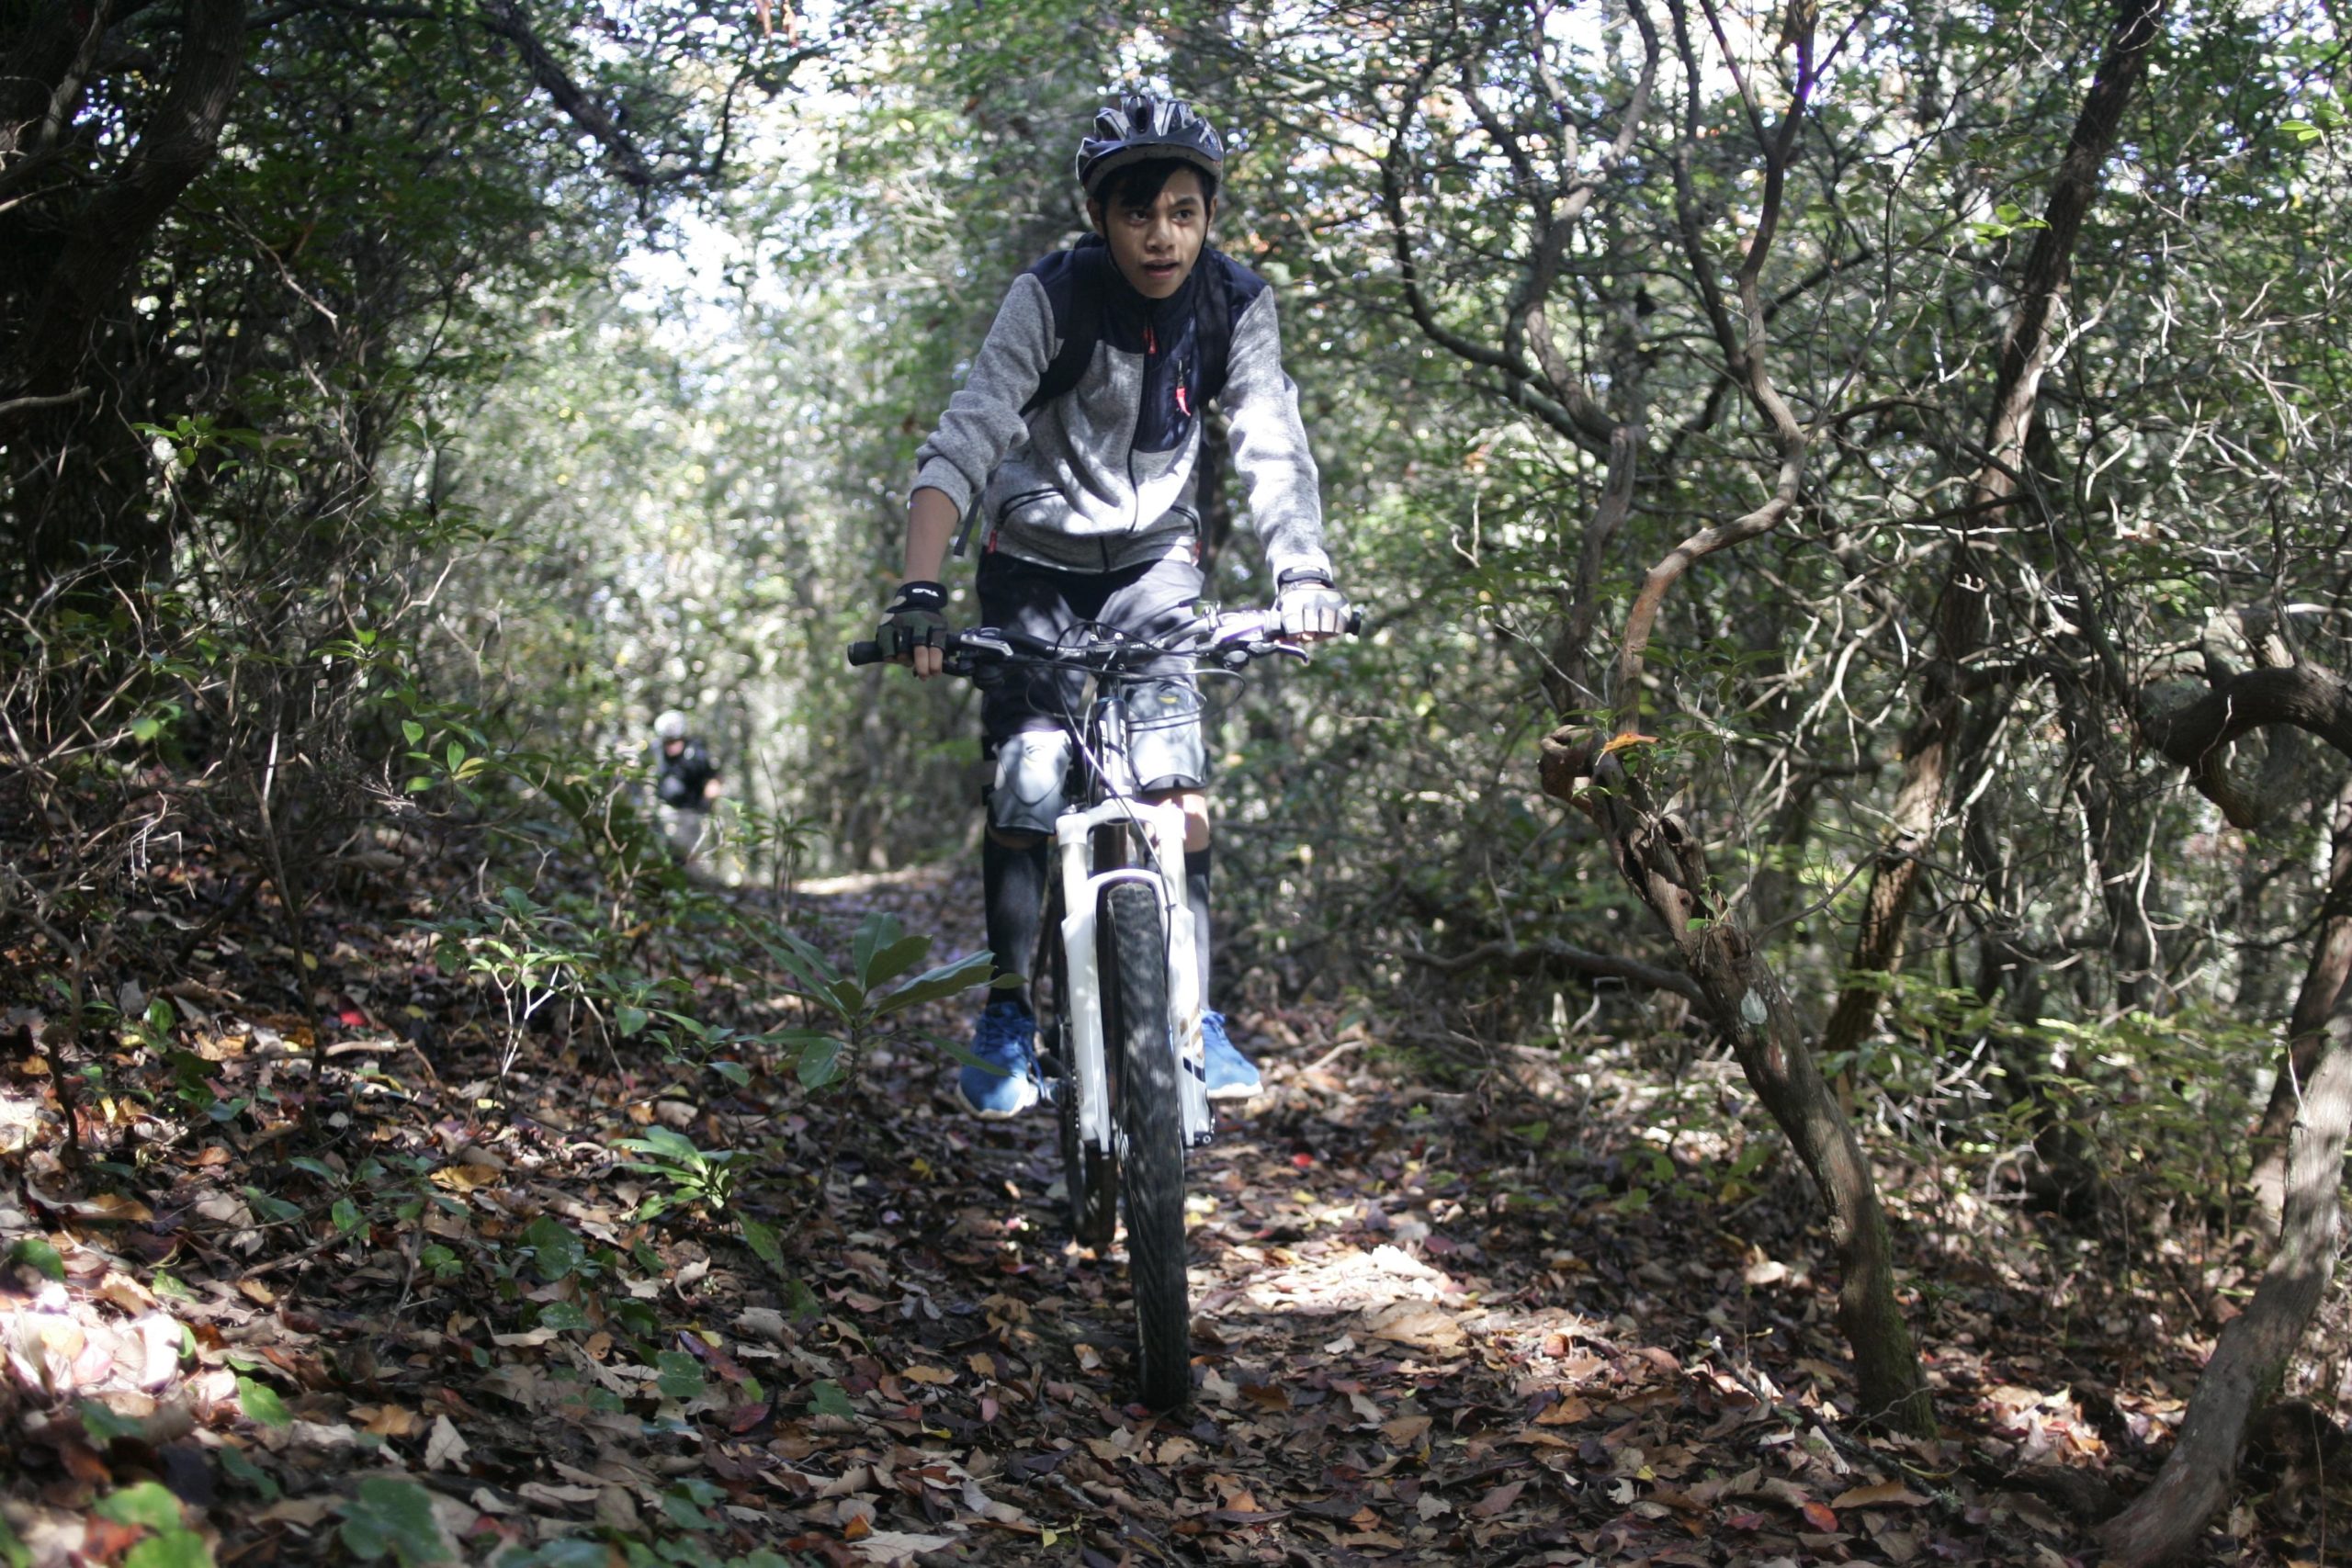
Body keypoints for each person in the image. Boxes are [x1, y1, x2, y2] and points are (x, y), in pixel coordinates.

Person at [874, 92, 1350, 1118]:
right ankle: (1008, 1005)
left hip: (1151, 566)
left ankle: (1194, 1014)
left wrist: (1300, 575)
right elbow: (964, 438)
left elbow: (1270, 441)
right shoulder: (1051, 298)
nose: (1162, 234)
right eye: (1137, 212)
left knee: (1178, 802)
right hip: (1032, 562)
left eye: (1183, 210)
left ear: (1209, 215)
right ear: (1100, 218)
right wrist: (920, 589)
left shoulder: (1234, 303)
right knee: (1031, 777)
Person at [650, 709, 721, 858]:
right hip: (663, 810)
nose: (671, 746)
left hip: (690, 813)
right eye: (667, 742)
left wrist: (706, 804)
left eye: (675, 741)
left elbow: (713, 778)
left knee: (685, 855)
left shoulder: (696, 752)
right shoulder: (656, 750)